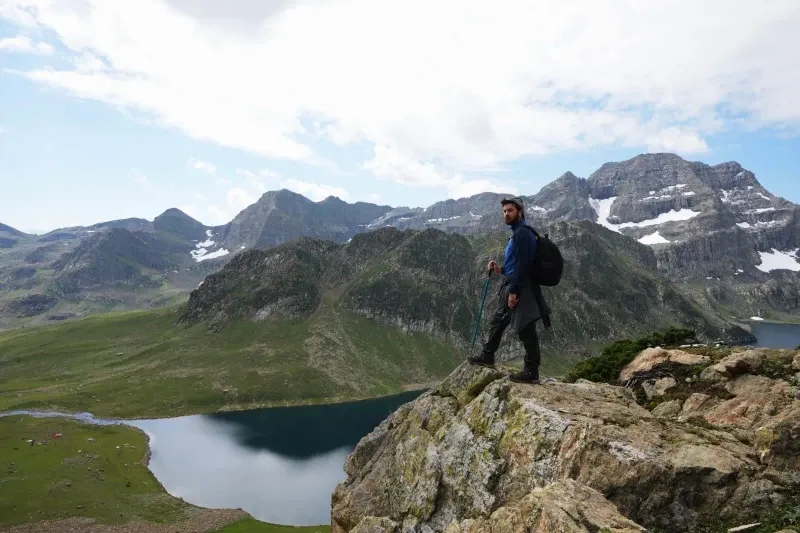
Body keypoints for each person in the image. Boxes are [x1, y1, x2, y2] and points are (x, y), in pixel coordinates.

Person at [468, 196, 551, 383]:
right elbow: (515, 264)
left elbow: (523, 265)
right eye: (504, 211)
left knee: (525, 328)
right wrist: (500, 269)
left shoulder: (522, 233)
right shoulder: (517, 233)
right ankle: (487, 356)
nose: (506, 214)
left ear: (519, 212)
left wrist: (514, 292)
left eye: (510, 211)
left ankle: (531, 372)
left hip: (521, 286)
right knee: (499, 320)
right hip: (515, 282)